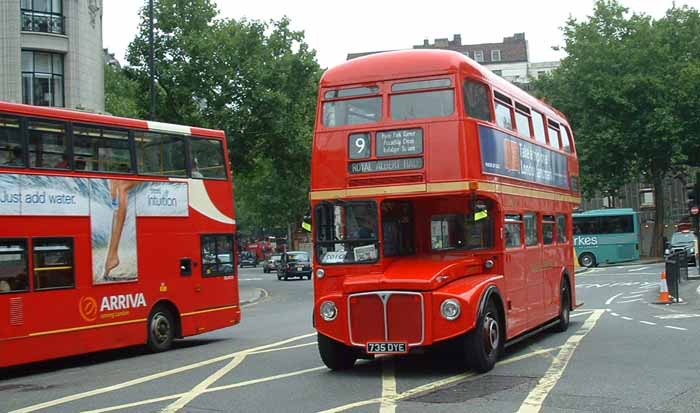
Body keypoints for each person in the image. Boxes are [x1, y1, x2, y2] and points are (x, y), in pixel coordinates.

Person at [103, 179, 140, 279]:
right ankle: (112, 255)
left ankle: (112, 255)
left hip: (142, 173)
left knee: (121, 187)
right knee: (114, 188)